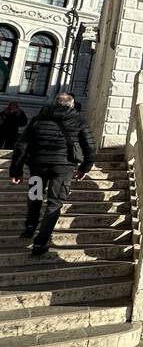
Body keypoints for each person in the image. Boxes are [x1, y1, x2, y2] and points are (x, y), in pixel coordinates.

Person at [9, 92, 96, 257]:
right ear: (71, 104)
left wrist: (16, 170)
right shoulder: (78, 120)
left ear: (55, 103)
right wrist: (84, 168)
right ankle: (40, 242)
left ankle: (29, 227)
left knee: (35, 196)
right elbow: (90, 147)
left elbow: (21, 146)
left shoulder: (38, 119)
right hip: (63, 168)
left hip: (37, 166)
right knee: (54, 203)